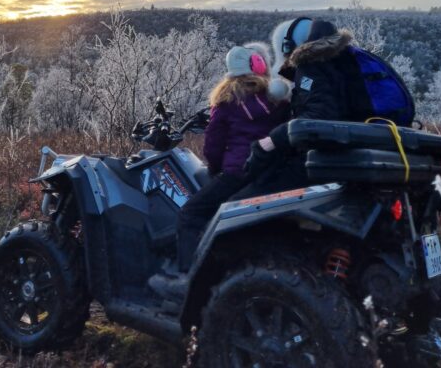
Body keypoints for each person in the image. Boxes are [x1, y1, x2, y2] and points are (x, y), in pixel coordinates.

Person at [148, 42, 290, 300]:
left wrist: (214, 169)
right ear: (258, 66)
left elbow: (213, 145)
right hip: (268, 173)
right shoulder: (276, 99)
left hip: (237, 173)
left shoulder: (226, 101)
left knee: (190, 215)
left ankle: (187, 282)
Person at [232, 17, 354, 199]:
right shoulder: (340, 62)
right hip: (343, 154)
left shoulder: (312, 66)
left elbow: (319, 115)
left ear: (292, 46)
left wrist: (271, 140)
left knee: (238, 206)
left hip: (319, 158)